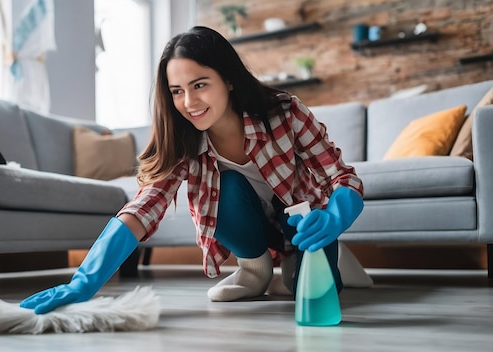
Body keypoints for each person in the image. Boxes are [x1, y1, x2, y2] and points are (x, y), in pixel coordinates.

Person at [20, 26, 364, 314]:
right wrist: (84, 281)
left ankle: (299, 262)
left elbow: (343, 177)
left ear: (228, 79)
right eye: (177, 91)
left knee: (315, 295)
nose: (188, 102)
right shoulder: (182, 140)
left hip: (304, 224)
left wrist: (334, 217)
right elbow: (145, 207)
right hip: (251, 232)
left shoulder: (285, 112)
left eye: (199, 85)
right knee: (224, 186)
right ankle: (255, 271)